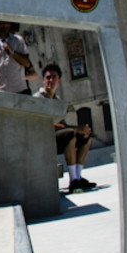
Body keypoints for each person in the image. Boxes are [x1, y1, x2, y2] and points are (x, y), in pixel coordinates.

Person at [35, 62, 96, 191]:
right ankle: (73, 180)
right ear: (43, 80)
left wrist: (81, 130)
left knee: (85, 137)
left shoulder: (57, 100)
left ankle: (78, 177)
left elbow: (62, 124)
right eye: (48, 77)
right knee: (70, 134)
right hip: (43, 140)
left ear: (59, 81)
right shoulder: (39, 99)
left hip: (56, 138)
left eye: (54, 77)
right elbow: (45, 124)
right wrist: (75, 129)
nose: (51, 80)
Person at [0, 22, 33, 94]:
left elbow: (26, 63)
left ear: (9, 25)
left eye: (4, 23)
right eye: (0, 23)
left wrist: (12, 52)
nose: (2, 26)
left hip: (18, 90)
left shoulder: (18, 41)